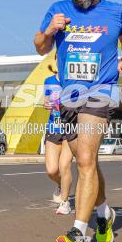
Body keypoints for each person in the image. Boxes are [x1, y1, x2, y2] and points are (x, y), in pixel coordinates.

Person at [34, 0, 122, 242]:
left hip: (100, 93)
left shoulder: (115, 11)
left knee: (87, 160)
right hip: (69, 97)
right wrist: (50, 30)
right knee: (84, 160)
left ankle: (79, 233)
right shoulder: (58, 10)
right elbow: (40, 47)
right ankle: (105, 213)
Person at [42, 63, 74, 215]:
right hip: (53, 127)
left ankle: (65, 202)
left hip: (70, 128)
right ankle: (61, 185)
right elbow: (46, 101)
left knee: (64, 165)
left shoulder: (74, 80)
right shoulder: (49, 81)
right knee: (51, 170)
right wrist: (46, 104)